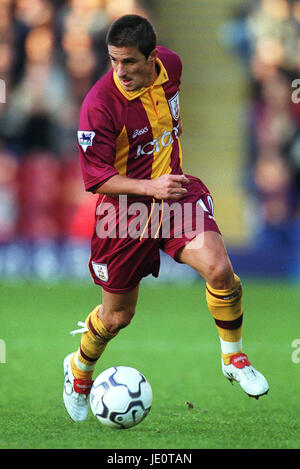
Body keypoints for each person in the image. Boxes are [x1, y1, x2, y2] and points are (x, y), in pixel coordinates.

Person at [63, 14, 269, 422]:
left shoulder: (172, 66)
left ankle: (234, 358)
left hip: (174, 195)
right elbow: (96, 178)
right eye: (113, 61)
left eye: (129, 62)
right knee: (117, 316)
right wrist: (148, 188)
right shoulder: (99, 105)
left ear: (152, 57)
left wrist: (161, 183)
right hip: (123, 216)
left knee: (220, 270)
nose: (120, 71)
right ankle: (79, 370)